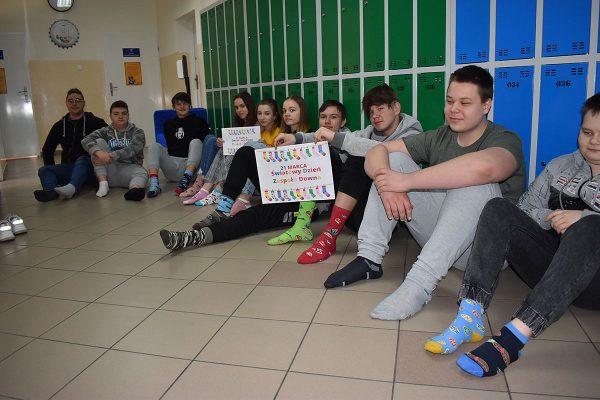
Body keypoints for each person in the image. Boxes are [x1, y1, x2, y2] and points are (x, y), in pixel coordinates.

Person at [425, 93, 600, 378]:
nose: (593, 141)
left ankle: (513, 339)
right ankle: (470, 314)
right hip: (550, 270)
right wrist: (553, 217)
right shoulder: (561, 166)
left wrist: (584, 218)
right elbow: (526, 207)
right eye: (587, 132)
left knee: (591, 227)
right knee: (499, 208)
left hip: (595, 284)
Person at [332, 65, 526, 321]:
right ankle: (369, 258)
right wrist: (386, 182)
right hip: (443, 242)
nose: (454, 109)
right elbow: (377, 151)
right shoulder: (439, 136)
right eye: (449, 101)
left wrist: (406, 181)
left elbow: (486, 167)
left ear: (486, 105)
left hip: (483, 251)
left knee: (475, 183)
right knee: (394, 161)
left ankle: (419, 283)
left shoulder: (505, 139)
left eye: (465, 103)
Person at [158, 100, 350, 251]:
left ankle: (190, 238)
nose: (327, 121)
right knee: (246, 152)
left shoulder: (348, 144)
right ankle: (222, 209)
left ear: (342, 122)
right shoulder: (309, 138)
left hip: (307, 204)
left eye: (333, 117)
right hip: (284, 186)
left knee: (252, 218)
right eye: (323, 117)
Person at [275, 84, 422, 264]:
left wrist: (338, 139)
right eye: (371, 111)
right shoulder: (368, 133)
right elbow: (333, 138)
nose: (375, 115)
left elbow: (381, 149)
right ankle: (321, 232)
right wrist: (296, 137)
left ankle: (329, 235)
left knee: (362, 154)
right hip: (353, 215)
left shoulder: (413, 134)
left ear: (396, 107)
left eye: (381, 109)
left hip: (388, 215)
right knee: (338, 153)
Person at [184, 92, 259, 207]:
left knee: (232, 154)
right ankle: (207, 189)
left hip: (251, 179)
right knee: (222, 149)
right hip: (238, 174)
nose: (239, 110)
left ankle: (215, 190)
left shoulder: (257, 125)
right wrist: (225, 143)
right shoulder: (240, 125)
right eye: (236, 107)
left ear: (250, 106)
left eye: (242, 106)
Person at [34, 88, 107, 202]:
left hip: (90, 168)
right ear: (66, 104)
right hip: (69, 168)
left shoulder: (95, 122)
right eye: (71, 101)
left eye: (78, 100)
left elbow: (111, 138)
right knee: (44, 170)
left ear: (84, 103)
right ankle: (50, 192)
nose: (74, 103)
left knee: (82, 159)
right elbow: (47, 149)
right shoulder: (59, 126)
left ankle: (72, 188)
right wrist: (53, 167)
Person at [146, 92, 212, 198]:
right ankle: (154, 184)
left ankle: (185, 181)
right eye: (178, 104)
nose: (182, 106)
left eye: (185, 103)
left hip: (192, 168)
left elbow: (208, 143)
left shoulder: (199, 121)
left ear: (190, 106)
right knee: (154, 145)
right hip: (173, 167)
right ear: (173, 107)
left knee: (196, 141)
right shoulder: (168, 124)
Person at [81, 100, 147, 201]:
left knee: (142, 173)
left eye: (124, 113)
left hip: (130, 170)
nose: (120, 116)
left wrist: (110, 156)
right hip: (109, 170)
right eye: (116, 114)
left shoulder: (138, 132)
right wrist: (99, 153)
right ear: (110, 116)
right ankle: (103, 184)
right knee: (98, 142)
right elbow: (85, 140)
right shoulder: (105, 131)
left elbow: (132, 149)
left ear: (128, 115)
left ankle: (134, 190)